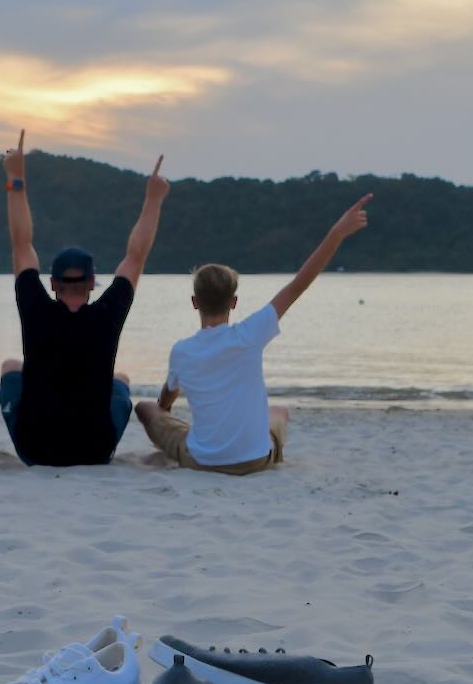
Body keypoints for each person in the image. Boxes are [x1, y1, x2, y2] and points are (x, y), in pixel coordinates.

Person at [135, 194, 373, 475]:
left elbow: (166, 398)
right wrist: (338, 232)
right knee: (279, 413)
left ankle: (191, 439)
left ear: (195, 302)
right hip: (256, 460)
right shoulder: (250, 334)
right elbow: (299, 284)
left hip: (200, 461)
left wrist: (165, 407)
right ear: (233, 302)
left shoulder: (182, 351)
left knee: (145, 409)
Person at [0, 130, 170, 466]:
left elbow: (21, 243)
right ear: (93, 282)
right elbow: (136, 256)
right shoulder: (108, 312)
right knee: (119, 381)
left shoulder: (35, 307)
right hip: (95, 450)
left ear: (51, 284)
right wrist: (153, 199)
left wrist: (15, 179)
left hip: (35, 449)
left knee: (10, 368)